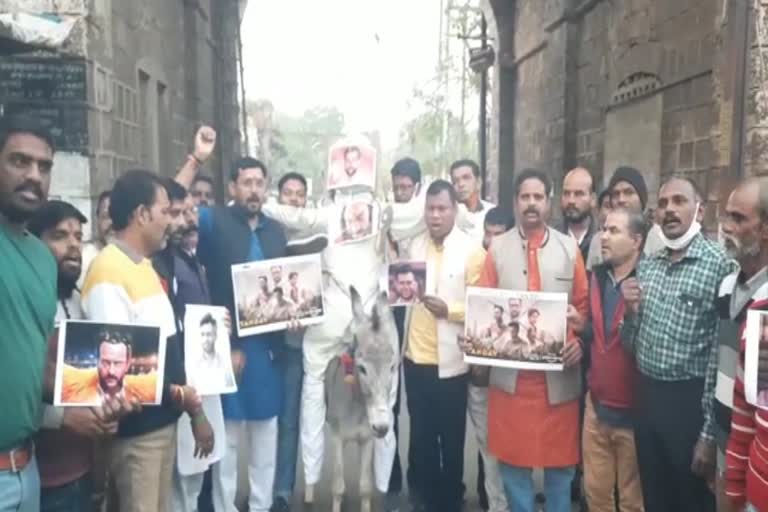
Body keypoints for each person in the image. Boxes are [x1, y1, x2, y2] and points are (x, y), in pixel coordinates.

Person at [82, 169, 212, 512]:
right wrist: (185, 399)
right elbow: (116, 374)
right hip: (137, 435)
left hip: (159, 426)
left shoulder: (143, 266)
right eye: (165, 212)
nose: (171, 222)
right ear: (142, 215)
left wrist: (189, 408)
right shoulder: (109, 271)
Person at [471, 168, 588, 512]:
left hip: (559, 382)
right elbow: (482, 302)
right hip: (511, 384)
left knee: (561, 472)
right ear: (515, 202)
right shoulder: (498, 250)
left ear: (549, 202)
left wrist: (578, 340)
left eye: (538, 197)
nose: (532, 204)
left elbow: (583, 307)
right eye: (525, 197)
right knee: (513, 469)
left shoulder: (569, 249)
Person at [177, 151, 287, 512]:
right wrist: (195, 159)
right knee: (228, 445)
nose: (254, 190)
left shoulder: (276, 232)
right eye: (247, 183)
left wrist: (294, 314)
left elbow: (284, 290)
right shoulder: (213, 221)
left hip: (269, 352)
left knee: (265, 441)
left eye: (259, 183)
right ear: (232, 187)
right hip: (225, 348)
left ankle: (260, 507)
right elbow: (175, 204)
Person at [621, 177, 733, 512]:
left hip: (690, 404)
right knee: (655, 496)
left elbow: (722, 358)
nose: (669, 209)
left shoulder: (720, 265)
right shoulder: (648, 265)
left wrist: (709, 434)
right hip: (648, 399)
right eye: (663, 202)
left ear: (699, 209)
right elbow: (630, 345)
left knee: (691, 501)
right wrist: (630, 313)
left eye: (679, 201)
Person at [28, 200, 135, 512]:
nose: (73, 245)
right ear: (33, 243)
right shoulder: (21, 303)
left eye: (78, 236)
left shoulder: (79, 302)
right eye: (60, 236)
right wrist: (61, 420)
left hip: (84, 473)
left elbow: (92, 382)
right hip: (35, 478)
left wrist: (111, 410)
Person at [400, 180, 483, 512]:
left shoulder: (473, 251)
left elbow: (481, 304)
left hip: (452, 361)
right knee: (421, 436)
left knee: (451, 439)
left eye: (442, 209)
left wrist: (451, 311)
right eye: (430, 209)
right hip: (415, 359)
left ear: (455, 210)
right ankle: (427, 499)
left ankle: (451, 500)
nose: (435, 216)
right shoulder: (414, 247)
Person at [0, 114, 58, 511]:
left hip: (27, 468)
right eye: (19, 162)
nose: (34, 175)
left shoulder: (43, 258)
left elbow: (39, 359)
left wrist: (99, 394)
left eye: (44, 166)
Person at [579, 207, 646, 512]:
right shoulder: (597, 276)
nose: (604, 236)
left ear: (637, 241)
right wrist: (581, 327)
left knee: (632, 500)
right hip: (596, 407)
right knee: (596, 493)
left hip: (633, 411)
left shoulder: (649, 281)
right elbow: (598, 332)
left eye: (614, 231)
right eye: (604, 229)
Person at [717, 177, 768, 512]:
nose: (727, 227)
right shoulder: (725, 286)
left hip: (755, 448)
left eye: (739, 218)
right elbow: (717, 363)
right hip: (726, 437)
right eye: (727, 216)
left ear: (765, 229)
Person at [468, 205, 514, 512]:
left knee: (511, 448)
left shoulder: (521, 270)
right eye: (488, 233)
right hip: (480, 373)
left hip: (514, 378)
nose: (492, 240)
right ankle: (496, 505)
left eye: (499, 234)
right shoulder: (473, 264)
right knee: (488, 448)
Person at [272, 171, 312, 512]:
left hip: (302, 342)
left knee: (295, 419)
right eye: (289, 193)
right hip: (266, 343)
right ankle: (271, 489)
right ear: (279, 197)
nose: (294, 199)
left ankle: (292, 488)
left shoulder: (318, 237)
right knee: (270, 420)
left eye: (300, 194)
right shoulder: (267, 233)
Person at [387, 156, 423, 511]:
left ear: (417, 186)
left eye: (406, 187)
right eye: (396, 186)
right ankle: (392, 472)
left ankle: (417, 473)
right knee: (391, 401)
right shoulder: (382, 218)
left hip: (420, 314)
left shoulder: (425, 217)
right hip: (391, 314)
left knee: (417, 401)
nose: (400, 192)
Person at [586, 166, 664, 270]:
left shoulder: (660, 239)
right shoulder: (599, 240)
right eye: (616, 194)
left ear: (641, 199)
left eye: (629, 192)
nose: (621, 199)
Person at [60, 331, 157, 404]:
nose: (111, 371)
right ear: (98, 362)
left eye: (118, 363)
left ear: (127, 364)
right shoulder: (75, 392)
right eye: (106, 363)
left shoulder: (145, 391)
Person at [449, 158, 495, 242]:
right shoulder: (447, 215)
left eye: (466, 178)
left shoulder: (493, 212)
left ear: (478, 182)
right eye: (455, 181)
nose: (461, 184)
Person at [560, 167, 597, 262]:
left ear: (592, 199)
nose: (571, 201)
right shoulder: (551, 238)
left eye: (578, 194)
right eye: (566, 193)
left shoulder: (602, 238)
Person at [192, 313, 235, 393]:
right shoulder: (194, 365)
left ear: (215, 336)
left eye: (208, 335)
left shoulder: (224, 363)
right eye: (202, 335)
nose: (205, 339)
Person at [80, 189, 112, 287]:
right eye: (106, 216)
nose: (112, 223)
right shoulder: (83, 259)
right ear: (97, 219)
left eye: (118, 216)